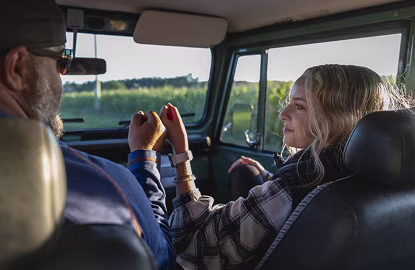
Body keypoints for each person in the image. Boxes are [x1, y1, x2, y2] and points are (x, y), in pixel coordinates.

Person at [0, 1, 174, 269]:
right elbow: (161, 257)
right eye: (62, 61)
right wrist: (145, 158)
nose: (64, 74)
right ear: (17, 68)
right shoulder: (102, 186)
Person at [160, 64, 412, 269]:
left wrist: (181, 155)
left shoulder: (295, 186)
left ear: (334, 118)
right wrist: (269, 176)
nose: (283, 113)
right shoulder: (378, 182)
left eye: (300, 105)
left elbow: (192, 243)